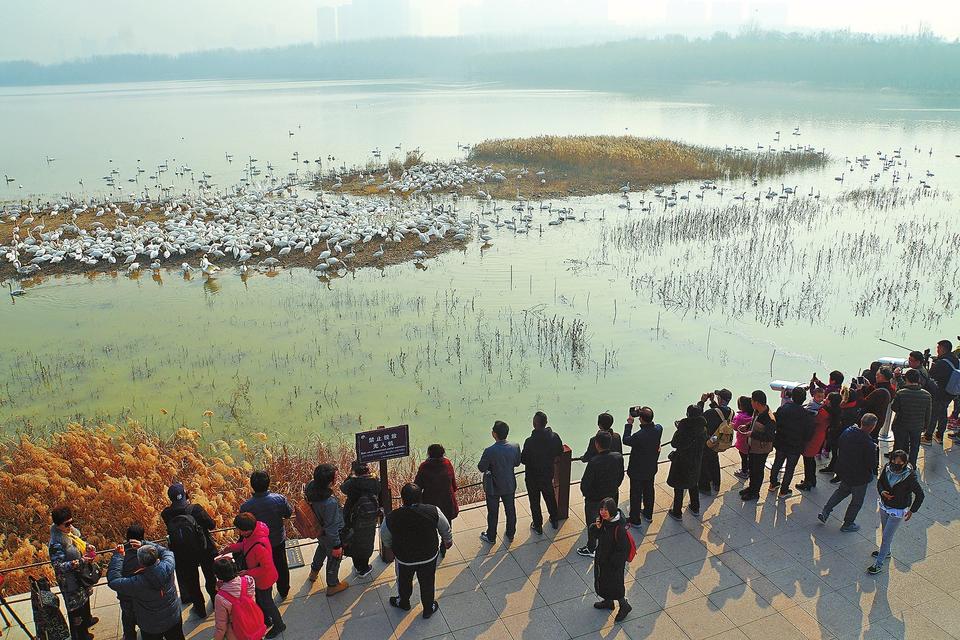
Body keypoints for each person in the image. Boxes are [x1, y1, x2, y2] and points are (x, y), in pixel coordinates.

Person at [381, 483, 453, 620]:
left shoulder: (392, 517)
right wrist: (447, 540)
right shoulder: (433, 510)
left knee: (403, 581)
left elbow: (385, 536)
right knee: (427, 582)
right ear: (420, 497)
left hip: (404, 558)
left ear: (402, 499)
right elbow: (445, 527)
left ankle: (403, 602)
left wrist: (392, 547)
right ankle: (428, 608)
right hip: (429, 556)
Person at [160, 482, 217, 619]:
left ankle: (200, 609)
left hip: (183, 553)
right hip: (204, 549)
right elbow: (212, 525)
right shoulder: (195, 509)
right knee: (210, 576)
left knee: (192, 582)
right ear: (185, 494)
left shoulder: (166, 513)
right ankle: (216, 602)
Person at [222, 513, 285, 638]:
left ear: (247, 530)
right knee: (261, 600)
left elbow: (265, 567)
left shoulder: (259, 545)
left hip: (264, 579)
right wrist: (230, 548)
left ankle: (279, 625)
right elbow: (245, 545)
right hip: (258, 577)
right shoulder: (253, 534)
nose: (238, 532)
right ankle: (266, 620)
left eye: (239, 530)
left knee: (267, 603)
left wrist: (247, 572)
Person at [107, 543, 183, 640]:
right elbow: (166, 551)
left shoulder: (137, 583)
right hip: (173, 618)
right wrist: (144, 543)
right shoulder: (168, 566)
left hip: (150, 626)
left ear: (140, 563)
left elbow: (113, 581)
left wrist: (118, 556)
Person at [817, 414, 879, 532]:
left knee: (841, 492)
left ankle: (825, 511)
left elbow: (840, 444)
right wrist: (873, 450)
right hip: (859, 478)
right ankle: (848, 523)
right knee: (857, 501)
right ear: (872, 427)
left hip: (845, 471)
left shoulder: (847, 432)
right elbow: (871, 464)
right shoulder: (869, 444)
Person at [868, 450, 924, 575]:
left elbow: (920, 495)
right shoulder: (887, 469)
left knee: (887, 536)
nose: (895, 463)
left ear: (904, 463)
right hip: (884, 505)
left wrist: (912, 510)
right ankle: (886, 551)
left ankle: (879, 563)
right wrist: (882, 492)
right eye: (894, 460)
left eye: (899, 462)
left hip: (897, 509)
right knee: (884, 531)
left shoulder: (910, 476)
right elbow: (880, 482)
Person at [239, 471, 293, 599]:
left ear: (252, 485)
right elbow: (288, 513)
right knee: (281, 565)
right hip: (277, 540)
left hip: (258, 545)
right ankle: (283, 590)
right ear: (268, 483)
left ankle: (265, 593)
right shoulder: (279, 499)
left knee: (261, 568)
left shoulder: (246, 506)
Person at [48, 507, 97, 640]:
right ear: (57, 525)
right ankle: (80, 635)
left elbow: (78, 544)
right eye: (66, 524)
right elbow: (58, 566)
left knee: (84, 600)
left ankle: (87, 620)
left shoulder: (71, 533)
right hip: (69, 582)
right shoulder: (55, 544)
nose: (70, 526)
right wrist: (79, 562)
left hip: (79, 576)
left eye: (71, 522)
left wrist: (87, 547)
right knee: (75, 608)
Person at [303, 464, 349, 595]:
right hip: (330, 535)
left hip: (319, 530)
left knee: (322, 547)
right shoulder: (329, 503)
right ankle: (333, 585)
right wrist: (336, 546)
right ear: (329, 481)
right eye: (335, 476)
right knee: (334, 558)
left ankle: (313, 572)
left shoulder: (310, 486)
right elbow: (332, 527)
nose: (337, 478)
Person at [577, 430, 624, 557]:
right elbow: (620, 476)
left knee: (593, 522)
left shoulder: (594, 462)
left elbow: (585, 484)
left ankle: (591, 547)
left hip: (594, 499)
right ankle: (609, 542)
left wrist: (587, 494)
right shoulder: (618, 457)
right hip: (611, 495)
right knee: (610, 519)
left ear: (597, 444)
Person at [520, 410, 565, 534]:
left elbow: (523, 459)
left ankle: (538, 525)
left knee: (534, 501)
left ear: (534, 424)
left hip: (532, 477)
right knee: (550, 497)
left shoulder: (529, 441)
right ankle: (554, 519)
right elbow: (560, 451)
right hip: (547, 474)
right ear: (546, 423)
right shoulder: (554, 437)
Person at [478, 420, 521, 544]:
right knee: (510, 510)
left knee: (493, 513)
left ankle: (491, 536)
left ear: (494, 434)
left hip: (493, 486)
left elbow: (481, 467)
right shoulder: (515, 446)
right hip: (508, 483)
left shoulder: (489, 451)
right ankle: (510, 533)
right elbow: (517, 463)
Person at [591, 497, 633, 623]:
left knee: (615, 586)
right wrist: (597, 527)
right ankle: (608, 602)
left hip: (613, 564)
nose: (603, 512)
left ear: (612, 511)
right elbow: (596, 535)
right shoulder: (604, 521)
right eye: (601, 509)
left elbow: (624, 549)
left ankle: (624, 606)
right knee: (603, 581)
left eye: (606, 509)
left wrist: (612, 562)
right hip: (603, 560)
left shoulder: (619, 528)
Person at [769, 386, 813, 498]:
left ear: (792, 397)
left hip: (781, 442)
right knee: (789, 468)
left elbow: (775, 421)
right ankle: (784, 491)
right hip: (795, 446)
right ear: (804, 399)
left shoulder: (784, 408)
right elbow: (808, 434)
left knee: (777, 463)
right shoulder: (806, 415)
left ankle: (773, 484)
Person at [340, 461, 381, 579]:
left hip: (353, 516)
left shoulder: (352, 483)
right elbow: (379, 489)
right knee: (367, 540)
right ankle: (364, 567)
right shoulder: (374, 480)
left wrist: (351, 475)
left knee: (354, 539)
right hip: (369, 516)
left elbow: (343, 488)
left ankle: (358, 566)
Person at [622, 406, 661, 525]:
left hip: (637, 470)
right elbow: (656, 425)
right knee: (649, 491)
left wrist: (629, 424)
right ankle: (648, 514)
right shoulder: (659, 429)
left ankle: (635, 519)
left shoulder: (639, 436)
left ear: (641, 419)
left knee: (636, 494)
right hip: (650, 467)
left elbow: (626, 440)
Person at [666, 405, 708, 518]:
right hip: (696, 460)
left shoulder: (684, 429)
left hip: (682, 461)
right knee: (693, 484)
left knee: (679, 487)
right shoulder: (703, 429)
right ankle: (695, 507)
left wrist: (678, 429)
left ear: (688, 414)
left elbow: (674, 443)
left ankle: (677, 512)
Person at [212, 557, 266, 640]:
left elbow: (221, 625)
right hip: (254, 623)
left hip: (237, 633)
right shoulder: (248, 581)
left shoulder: (220, 598)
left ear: (218, 575)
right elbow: (252, 599)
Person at [891, 368, 932, 467]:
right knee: (915, 446)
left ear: (907, 379)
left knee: (899, 445)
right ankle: (912, 464)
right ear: (918, 380)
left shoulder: (901, 393)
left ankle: (896, 464)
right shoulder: (927, 395)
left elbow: (894, 408)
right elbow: (928, 414)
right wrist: (925, 426)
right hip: (917, 426)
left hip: (901, 424)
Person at [739, 391, 776, 501]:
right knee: (752, 468)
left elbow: (770, 437)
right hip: (753, 447)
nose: (750, 402)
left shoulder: (769, 419)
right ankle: (751, 488)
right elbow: (754, 422)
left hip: (761, 449)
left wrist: (753, 434)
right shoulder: (757, 411)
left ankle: (755, 492)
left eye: (752, 400)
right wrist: (747, 426)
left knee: (757, 471)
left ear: (757, 402)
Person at [921, 340, 959, 445]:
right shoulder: (955, 360)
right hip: (951, 392)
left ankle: (928, 437)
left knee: (934, 414)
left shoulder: (941, 363)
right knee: (943, 412)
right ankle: (939, 435)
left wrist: (934, 363)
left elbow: (930, 376)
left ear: (942, 348)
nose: (937, 350)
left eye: (938, 348)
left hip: (940, 393)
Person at [697, 389, 733, 494]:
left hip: (709, 440)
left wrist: (702, 402)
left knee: (704, 461)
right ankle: (716, 483)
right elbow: (720, 413)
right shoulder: (731, 412)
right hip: (719, 439)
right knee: (714, 460)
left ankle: (705, 487)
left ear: (720, 399)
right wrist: (713, 402)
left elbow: (698, 417)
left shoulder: (711, 413)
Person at [798, 392, 834, 491]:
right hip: (819, 437)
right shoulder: (829, 411)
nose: (824, 399)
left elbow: (811, 421)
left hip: (813, 438)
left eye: (826, 398)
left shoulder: (822, 413)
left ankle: (807, 483)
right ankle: (811, 480)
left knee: (808, 460)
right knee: (811, 460)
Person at [415, 444, 459, 523]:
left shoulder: (424, 466)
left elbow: (417, 486)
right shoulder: (447, 463)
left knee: (431, 524)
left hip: (430, 501)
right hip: (447, 500)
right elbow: (453, 482)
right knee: (447, 525)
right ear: (443, 453)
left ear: (429, 454)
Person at [117, 524, 145, 640]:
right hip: (141, 595)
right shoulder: (144, 553)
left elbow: (114, 573)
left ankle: (129, 636)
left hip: (125, 595)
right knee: (144, 619)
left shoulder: (120, 552)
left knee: (128, 620)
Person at [732, 396, 754, 479]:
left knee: (743, 457)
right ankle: (749, 469)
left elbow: (735, 427)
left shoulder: (740, 417)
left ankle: (744, 472)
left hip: (742, 442)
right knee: (749, 456)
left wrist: (732, 423)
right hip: (751, 441)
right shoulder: (754, 415)